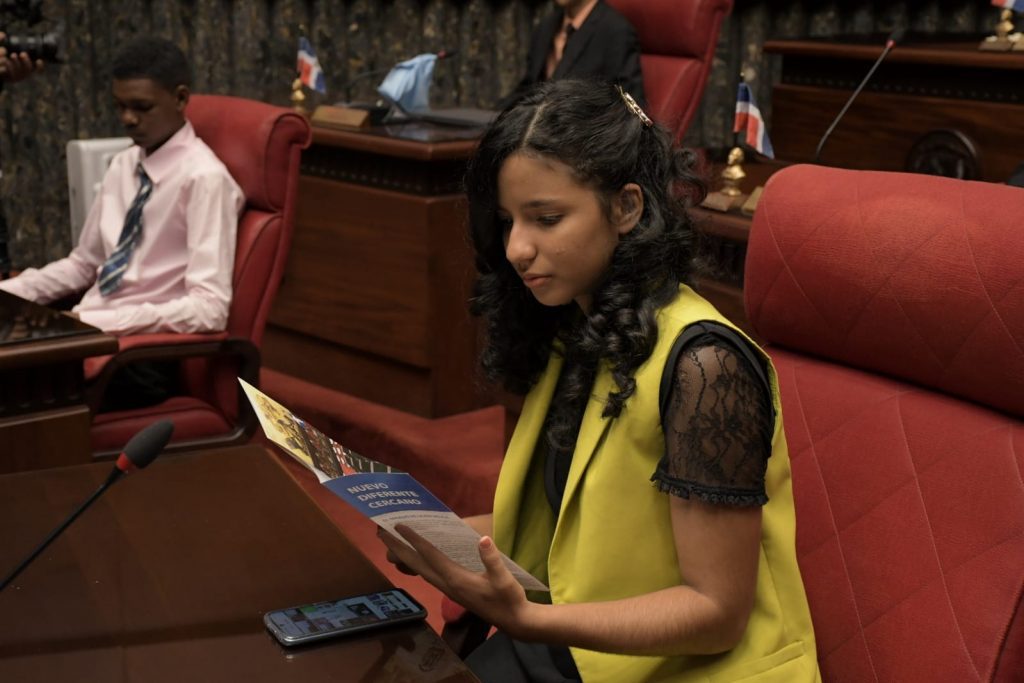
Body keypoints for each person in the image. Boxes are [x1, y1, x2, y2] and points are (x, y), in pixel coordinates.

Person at [380, 79, 820, 682]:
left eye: (547, 218)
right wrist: (423, 534)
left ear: (627, 208)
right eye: (509, 221)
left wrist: (532, 623)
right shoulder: (583, 329)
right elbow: (573, 538)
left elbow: (716, 613)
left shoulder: (706, 363)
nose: (516, 248)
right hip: (577, 647)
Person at [0, 37, 243, 409]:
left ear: (180, 98)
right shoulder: (124, 164)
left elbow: (208, 308)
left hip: (140, 357)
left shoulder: (205, 179)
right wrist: (14, 292)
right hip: (92, 334)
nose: (128, 119)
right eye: (120, 107)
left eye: (141, 107)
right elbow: (84, 264)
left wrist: (94, 320)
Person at [501, 0, 645, 110]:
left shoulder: (616, 32)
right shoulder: (546, 26)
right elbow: (528, 88)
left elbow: (629, 106)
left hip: (578, 137)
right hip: (533, 125)